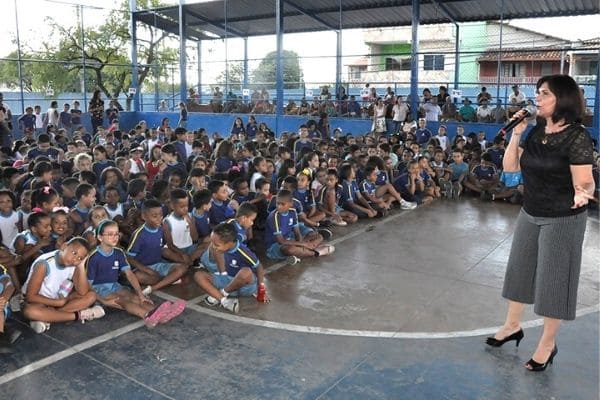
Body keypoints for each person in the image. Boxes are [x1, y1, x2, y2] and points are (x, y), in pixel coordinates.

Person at [486, 75, 595, 372]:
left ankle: (547, 343)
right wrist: (516, 134)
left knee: (554, 281)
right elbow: (510, 169)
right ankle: (512, 326)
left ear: (562, 98)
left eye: (544, 93)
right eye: (537, 92)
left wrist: (583, 193)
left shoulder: (577, 136)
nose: (538, 98)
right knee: (519, 269)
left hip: (562, 219)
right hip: (531, 211)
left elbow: (585, 180)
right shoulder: (534, 131)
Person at [21, 237, 105, 333]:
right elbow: (30, 297)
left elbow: (82, 291)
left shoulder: (74, 264)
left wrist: (81, 266)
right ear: (64, 246)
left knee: (91, 296)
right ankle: (80, 315)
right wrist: (56, 303)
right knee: (30, 312)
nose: (75, 259)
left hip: (57, 301)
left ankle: (48, 319)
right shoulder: (44, 264)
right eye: (74, 253)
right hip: (38, 302)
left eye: (80, 258)